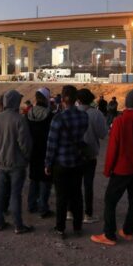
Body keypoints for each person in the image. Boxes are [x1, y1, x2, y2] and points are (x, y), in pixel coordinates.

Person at [90, 89, 133, 246]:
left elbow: (113, 148)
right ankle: (128, 230)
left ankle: (109, 234)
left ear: (126, 103)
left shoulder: (120, 121)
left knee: (110, 200)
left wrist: (107, 169)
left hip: (122, 168)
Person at [45, 85, 89, 238]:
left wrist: (48, 164)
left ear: (62, 99)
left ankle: (60, 228)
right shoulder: (84, 116)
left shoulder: (58, 118)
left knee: (61, 197)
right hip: (77, 161)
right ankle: (77, 227)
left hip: (61, 163)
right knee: (77, 195)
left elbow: (52, 144)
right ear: (76, 98)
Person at [0, 90, 33, 234]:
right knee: (15, 195)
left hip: (1, 162)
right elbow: (24, 144)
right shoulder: (20, 119)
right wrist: (27, 157)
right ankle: (18, 225)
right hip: (17, 164)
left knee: (0, 193)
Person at [77, 88, 109, 224]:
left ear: (77, 99)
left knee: (74, 184)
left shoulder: (71, 112)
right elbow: (103, 134)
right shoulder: (96, 114)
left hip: (73, 155)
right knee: (88, 185)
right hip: (90, 155)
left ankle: (70, 211)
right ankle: (87, 214)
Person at [27, 88, 55, 218]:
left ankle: (31, 205)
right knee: (45, 180)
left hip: (33, 151)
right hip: (45, 151)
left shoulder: (29, 114)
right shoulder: (50, 116)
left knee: (34, 179)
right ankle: (43, 208)